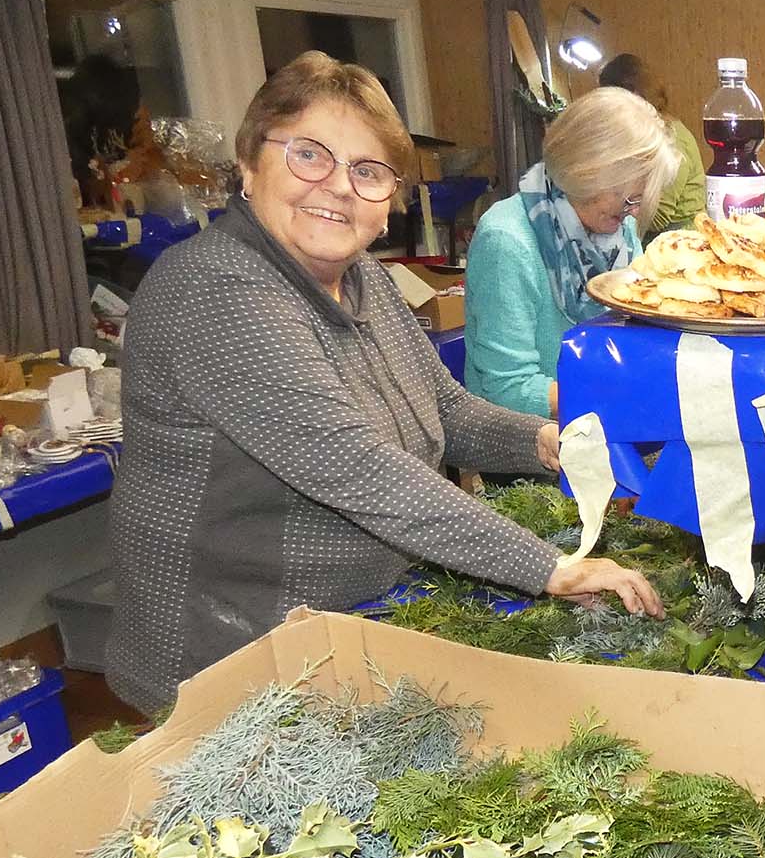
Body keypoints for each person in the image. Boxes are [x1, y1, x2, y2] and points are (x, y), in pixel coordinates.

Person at [107, 52, 660, 715]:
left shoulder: (360, 275)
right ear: (251, 164)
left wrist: (545, 439)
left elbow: (446, 410)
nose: (340, 187)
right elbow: (355, 465)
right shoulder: (217, 290)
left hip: (341, 628)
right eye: (310, 156)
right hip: (229, 666)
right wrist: (550, 567)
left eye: (368, 172)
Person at [464, 87, 680, 418]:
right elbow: (508, 389)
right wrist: (616, 398)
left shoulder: (617, 231)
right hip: (525, 440)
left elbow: (636, 335)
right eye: (629, 200)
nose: (635, 213)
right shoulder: (506, 241)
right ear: (588, 174)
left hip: (594, 410)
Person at [596, 53, 706, 233]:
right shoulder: (643, 134)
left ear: (631, 94)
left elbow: (658, 218)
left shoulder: (672, 137)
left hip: (679, 242)